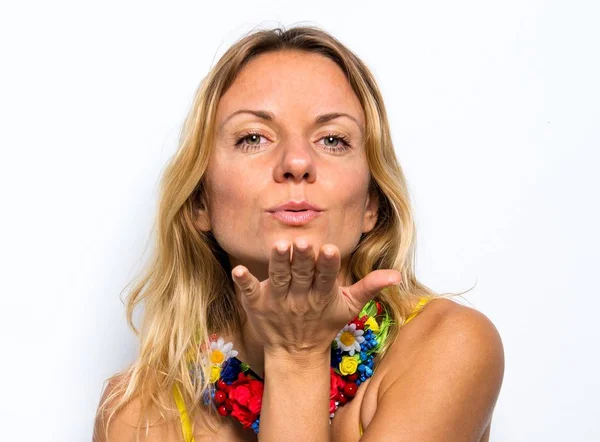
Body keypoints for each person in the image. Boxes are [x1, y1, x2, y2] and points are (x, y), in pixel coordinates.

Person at [94, 25, 504, 442]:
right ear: (200, 201)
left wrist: (298, 352)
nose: (296, 161)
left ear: (370, 204)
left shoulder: (449, 347)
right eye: (253, 138)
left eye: (332, 139)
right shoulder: (137, 416)